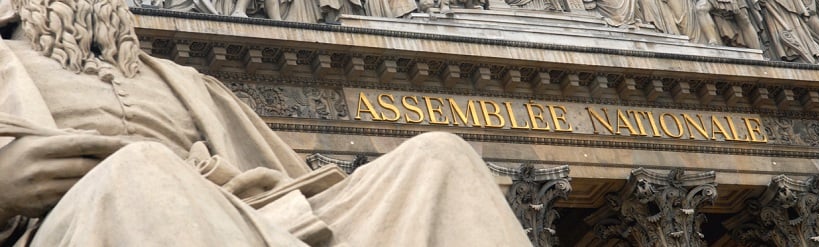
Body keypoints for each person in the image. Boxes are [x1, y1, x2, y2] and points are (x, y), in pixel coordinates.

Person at [0, 0, 532, 245]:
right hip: (76, 222)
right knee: (142, 171)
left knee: (440, 158)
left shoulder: (180, 79)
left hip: (250, 212)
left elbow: (291, 180)